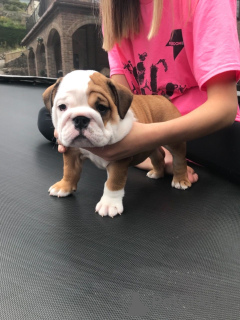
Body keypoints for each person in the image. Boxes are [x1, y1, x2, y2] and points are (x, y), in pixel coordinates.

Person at [38, 0, 240, 183]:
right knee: (48, 117)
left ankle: (148, 153)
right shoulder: (116, 9)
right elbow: (122, 101)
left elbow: (224, 108)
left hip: (200, 125)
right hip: (145, 119)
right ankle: (146, 156)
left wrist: (146, 139)